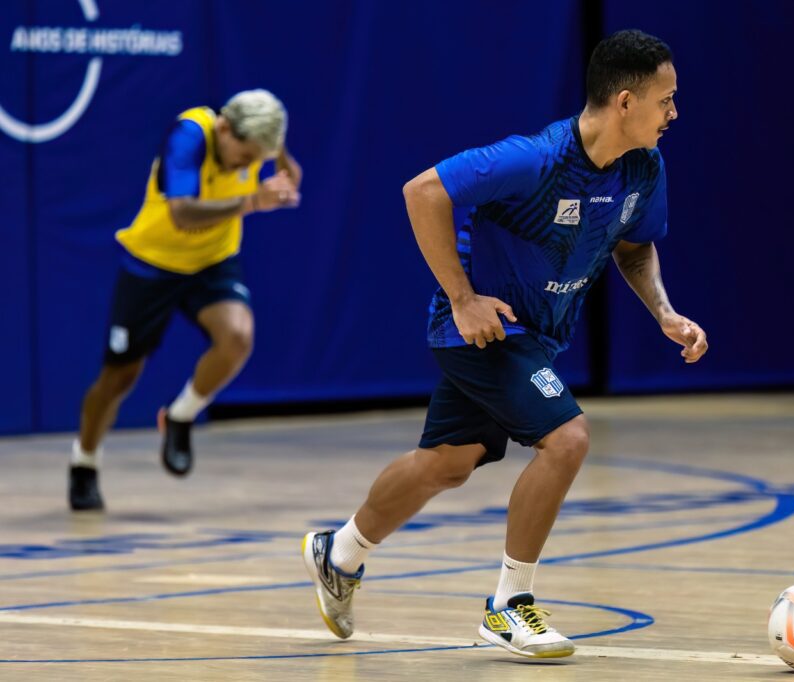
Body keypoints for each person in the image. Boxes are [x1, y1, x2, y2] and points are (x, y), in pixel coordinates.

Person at [302, 30, 706, 658]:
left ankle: (340, 551)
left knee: (448, 462)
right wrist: (462, 298)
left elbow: (634, 246)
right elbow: (423, 192)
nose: (675, 113)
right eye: (667, 100)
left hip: (537, 337)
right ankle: (508, 605)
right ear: (625, 101)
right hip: (483, 330)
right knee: (567, 438)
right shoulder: (536, 160)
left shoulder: (643, 167)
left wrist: (664, 312)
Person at [68, 89, 302, 511]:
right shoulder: (189, 135)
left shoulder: (254, 142)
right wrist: (253, 200)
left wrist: (280, 155)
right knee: (118, 377)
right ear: (225, 128)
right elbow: (183, 213)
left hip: (213, 261)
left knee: (238, 335)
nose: (249, 166)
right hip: (153, 263)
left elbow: (289, 178)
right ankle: (84, 463)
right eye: (245, 156)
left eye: (257, 159)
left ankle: (180, 416)